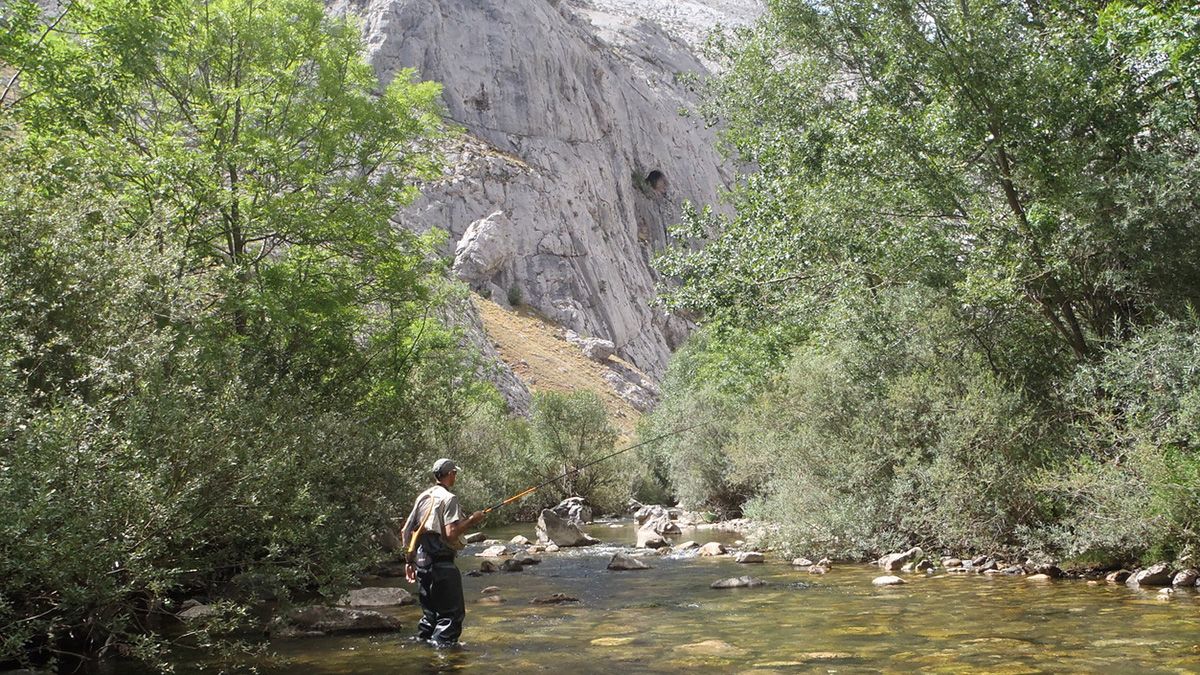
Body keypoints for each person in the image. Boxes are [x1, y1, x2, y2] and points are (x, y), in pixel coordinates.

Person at [400, 458, 486, 647]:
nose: (455, 476)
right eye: (454, 473)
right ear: (450, 474)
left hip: (422, 562)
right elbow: (450, 533)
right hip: (442, 564)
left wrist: (409, 561)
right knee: (450, 618)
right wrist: (473, 519)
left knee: (430, 617)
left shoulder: (423, 497)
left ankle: (425, 654)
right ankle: (444, 661)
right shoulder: (449, 498)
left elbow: (405, 531)